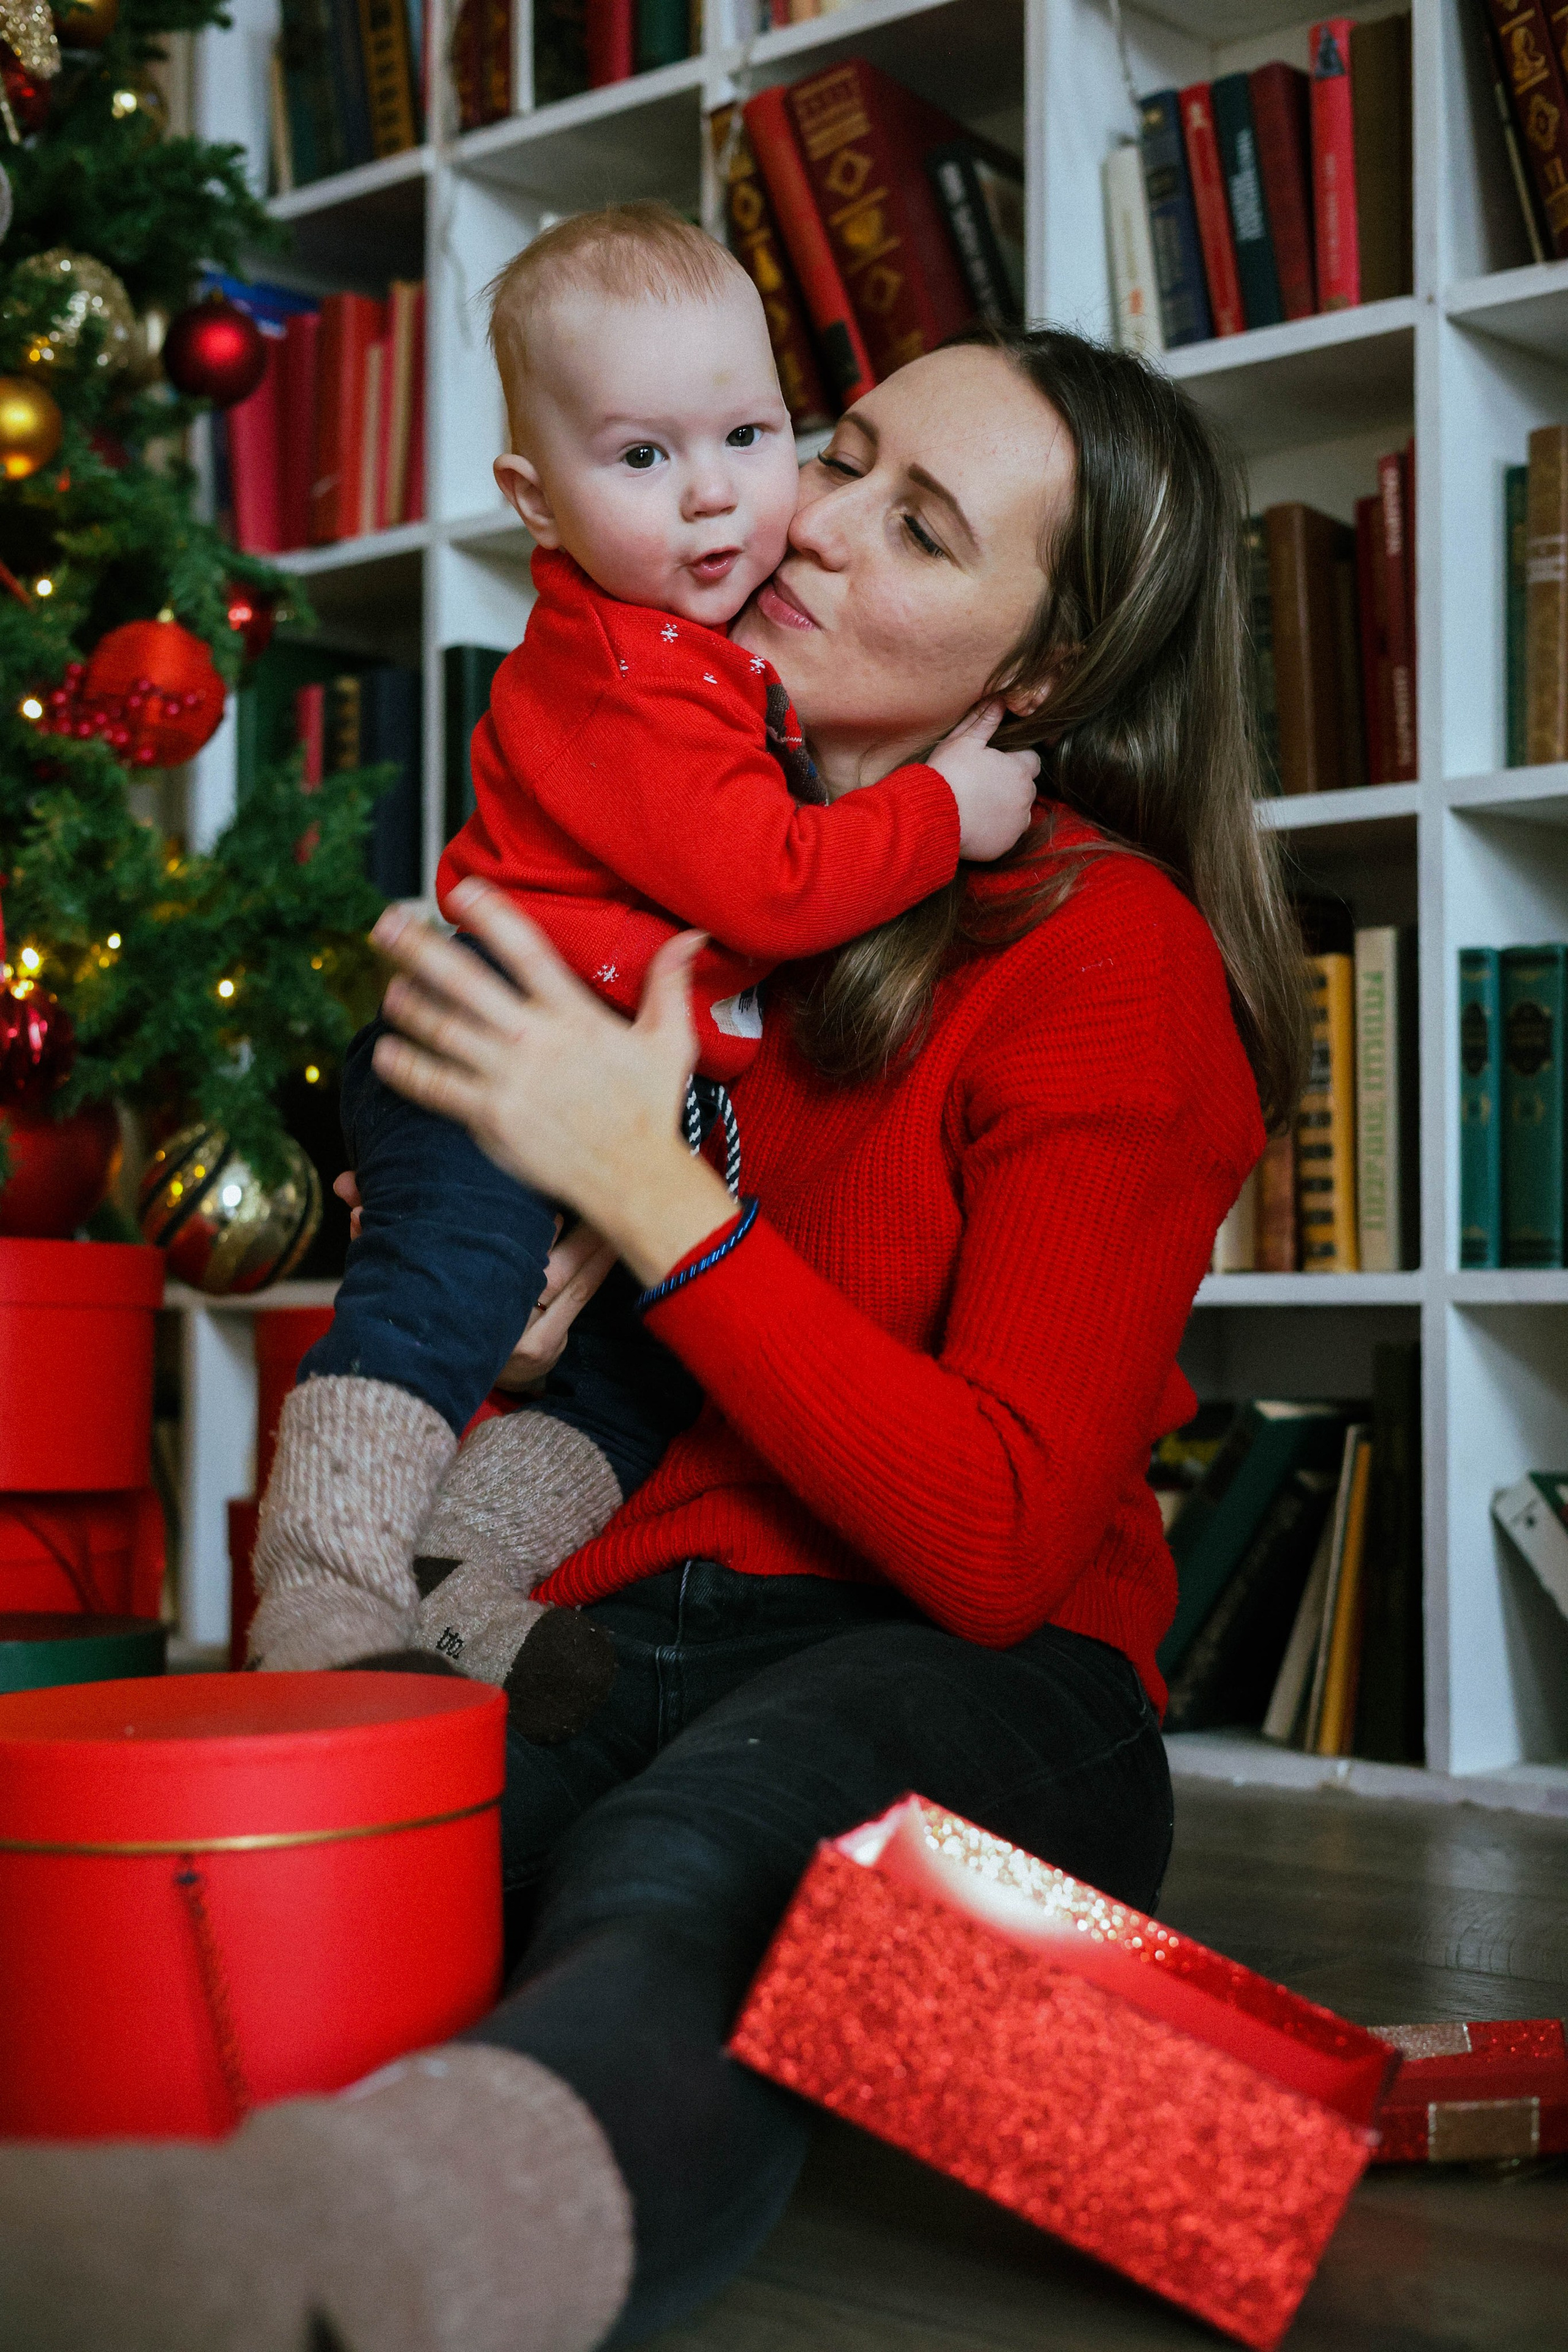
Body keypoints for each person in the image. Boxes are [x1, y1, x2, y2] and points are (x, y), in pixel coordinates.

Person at [1, 326, 1308, 2352]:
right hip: (626, 1617)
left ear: (1038, 681)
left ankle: (331, 2271)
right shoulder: (703, 872)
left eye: (922, 525)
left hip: (981, 1678)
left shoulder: (1106, 958)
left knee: (700, 1859)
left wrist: (650, 1194)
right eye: (841, 452)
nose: (810, 523)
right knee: (427, 1844)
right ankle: (1060, 2069)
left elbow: (995, 1540)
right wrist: (498, 1247)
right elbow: (623, 1342)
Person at [247, 203, 1036, 1709]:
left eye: (748, 434)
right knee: (448, 1288)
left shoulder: (710, 650)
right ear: (534, 504)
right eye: (641, 458)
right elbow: (771, 879)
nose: (717, 503)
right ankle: (324, 1589)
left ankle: (452, 1586)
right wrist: (946, 807)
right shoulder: (627, 673)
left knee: (646, 1373)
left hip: (624, 1081)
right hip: (501, 1041)